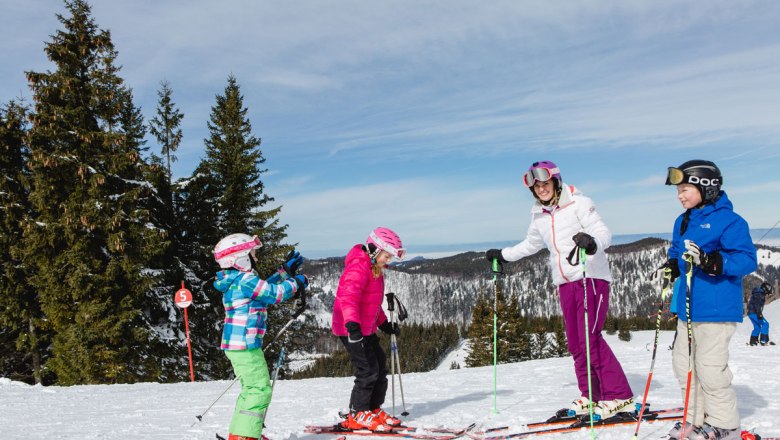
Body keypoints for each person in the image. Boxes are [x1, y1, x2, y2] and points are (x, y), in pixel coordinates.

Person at [485, 160, 634, 420]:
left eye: (545, 183)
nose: (541, 189)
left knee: (591, 338)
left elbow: (602, 231)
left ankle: (619, 396)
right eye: (536, 186)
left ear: (556, 181)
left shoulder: (579, 203)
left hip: (591, 277)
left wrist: (592, 243)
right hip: (565, 283)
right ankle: (592, 396)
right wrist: (504, 255)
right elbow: (530, 244)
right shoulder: (539, 215)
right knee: (577, 344)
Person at [659, 160, 757, 440]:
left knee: (710, 368)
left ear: (707, 187)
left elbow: (746, 259)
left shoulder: (731, 221)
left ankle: (725, 423)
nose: (680, 195)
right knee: (683, 365)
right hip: (687, 306)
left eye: (685, 189)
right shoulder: (683, 220)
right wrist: (673, 264)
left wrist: (716, 262)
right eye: (678, 190)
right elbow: (678, 251)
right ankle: (694, 418)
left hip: (716, 307)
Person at [212, 233, 309, 440]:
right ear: (241, 258)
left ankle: (241, 434)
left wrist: (285, 272)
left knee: (250, 389)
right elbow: (274, 294)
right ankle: (246, 437)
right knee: (259, 390)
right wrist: (297, 282)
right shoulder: (245, 279)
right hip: (245, 344)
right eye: (253, 254)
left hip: (237, 344)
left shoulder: (237, 280)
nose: (256, 258)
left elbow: (263, 289)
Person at [332, 227, 406, 432]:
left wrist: (383, 323)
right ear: (374, 250)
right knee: (367, 370)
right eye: (386, 255)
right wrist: (352, 326)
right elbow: (348, 299)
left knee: (380, 367)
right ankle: (358, 413)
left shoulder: (376, 270)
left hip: (366, 327)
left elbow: (372, 303)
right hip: (351, 328)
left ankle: (372, 409)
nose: (388, 260)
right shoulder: (358, 267)